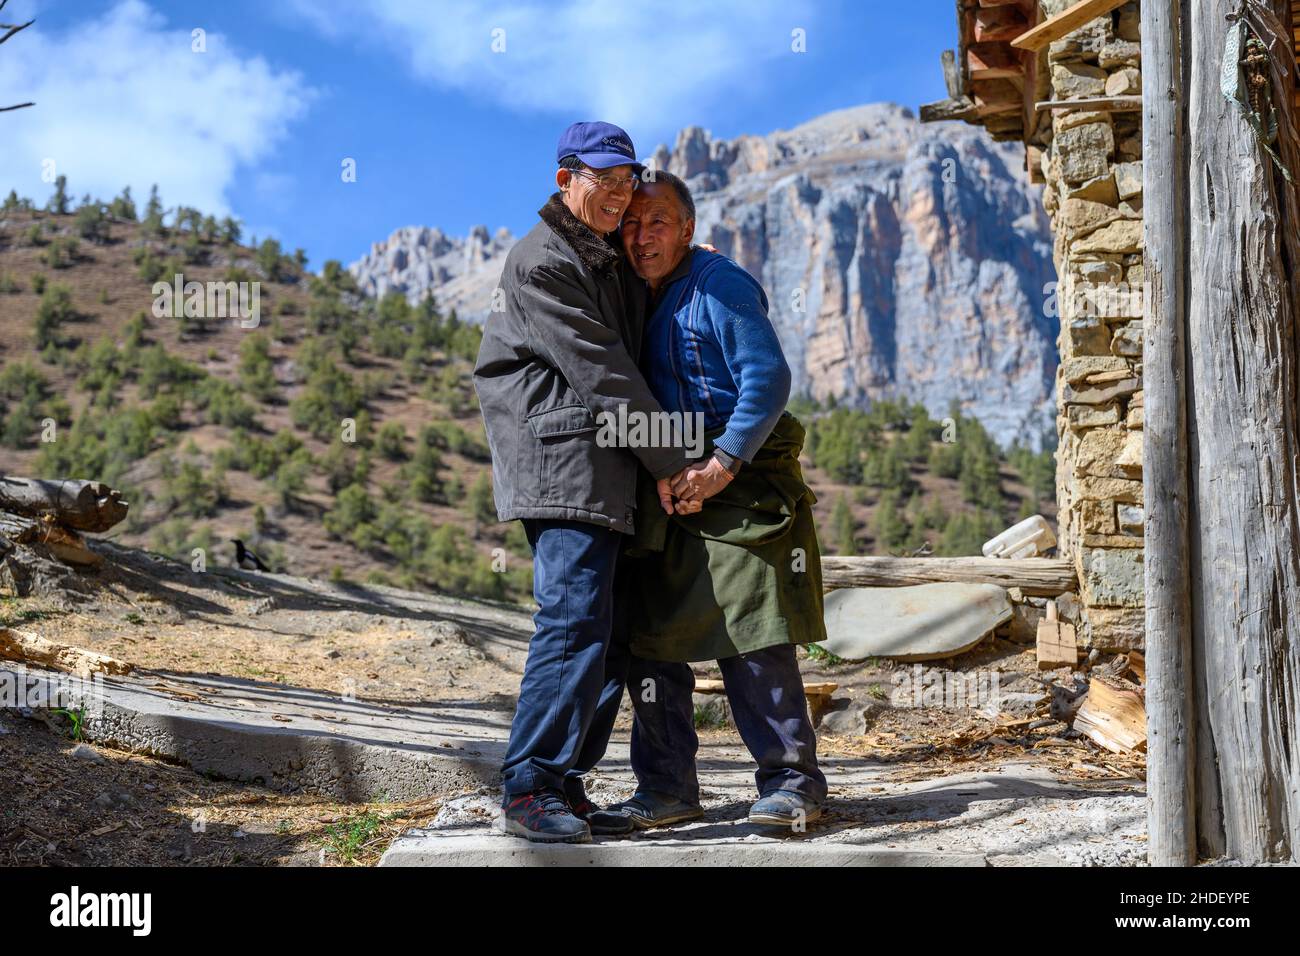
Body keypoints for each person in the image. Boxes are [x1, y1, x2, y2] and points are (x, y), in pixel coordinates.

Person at [577, 171, 829, 829]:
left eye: (657, 221)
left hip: (739, 485)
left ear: (688, 228)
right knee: (652, 643)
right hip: (672, 487)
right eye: (630, 222)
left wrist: (722, 463)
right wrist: (666, 468)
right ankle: (666, 790)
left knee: (753, 634)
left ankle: (792, 783)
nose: (641, 235)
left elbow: (768, 376)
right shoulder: (644, 296)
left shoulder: (720, 283)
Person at [473, 122, 699, 844]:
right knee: (572, 627)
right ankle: (529, 785)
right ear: (566, 176)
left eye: (628, 180)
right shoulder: (544, 262)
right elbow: (604, 374)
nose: (619, 193)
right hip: (563, 463)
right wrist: (680, 461)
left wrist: (692, 262)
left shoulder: (600, 257)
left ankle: (562, 784)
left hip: (605, 468)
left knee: (603, 637)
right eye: (605, 179)